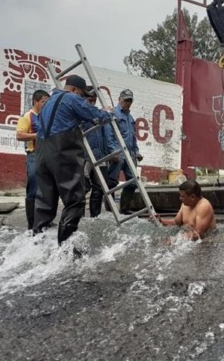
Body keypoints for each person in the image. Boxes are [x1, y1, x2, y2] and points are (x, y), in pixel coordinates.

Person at [32, 75, 112, 248]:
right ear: (75, 90)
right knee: (75, 199)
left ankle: (37, 244)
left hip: (42, 153)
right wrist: (108, 113)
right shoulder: (72, 98)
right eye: (83, 95)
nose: (83, 99)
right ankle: (66, 247)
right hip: (62, 152)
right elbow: (97, 116)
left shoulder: (48, 101)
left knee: (45, 200)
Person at [81, 87, 119, 217]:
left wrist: (109, 152)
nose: (92, 101)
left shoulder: (98, 113)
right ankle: (78, 217)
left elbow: (106, 132)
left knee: (100, 187)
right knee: (83, 187)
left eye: (94, 99)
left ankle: (95, 217)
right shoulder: (81, 112)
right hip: (85, 156)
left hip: (100, 156)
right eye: (89, 99)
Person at [16, 89, 49, 230]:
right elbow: (19, 135)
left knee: (47, 188)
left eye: (47, 102)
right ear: (35, 101)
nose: (45, 105)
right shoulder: (27, 116)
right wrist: (37, 135)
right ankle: (32, 224)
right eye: (43, 102)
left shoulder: (47, 117)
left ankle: (45, 221)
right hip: (34, 155)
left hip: (47, 155)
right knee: (34, 186)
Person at [106, 89, 143, 214]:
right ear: (119, 99)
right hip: (118, 153)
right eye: (125, 100)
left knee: (133, 182)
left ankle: (124, 209)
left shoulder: (130, 118)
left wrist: (136, 152)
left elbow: (133, 137)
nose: (127, 103)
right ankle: (110, 211)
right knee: (112, 182)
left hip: (130, 154)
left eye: (129, 101)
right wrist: (113, 151)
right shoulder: (113, 114)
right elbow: (109, 134)